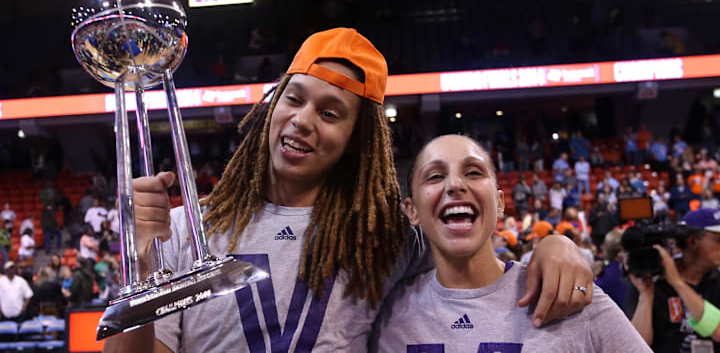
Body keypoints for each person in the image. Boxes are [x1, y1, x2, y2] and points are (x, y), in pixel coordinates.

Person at [104, 28, 592, 353]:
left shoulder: (386, 236)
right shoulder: (187, 227)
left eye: (330, 113)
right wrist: (142, 264)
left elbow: (482, 268)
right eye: (293, 99)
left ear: (357, 142)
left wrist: (554, 244)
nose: (302, 121)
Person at [371, 135, 649, 352]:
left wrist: (557, 242)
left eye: (473, 172)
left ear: (500, 203)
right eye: (435, 176)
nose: (455, 184)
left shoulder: (568, 291)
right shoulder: (385, 312)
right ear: (412, 211)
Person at [626, 208, 720, 352]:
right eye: (718, 240)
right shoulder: (652, 279)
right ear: (692, 242)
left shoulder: (716, 281)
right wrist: (646, 294)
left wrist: (677, 283)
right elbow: (637, 346)